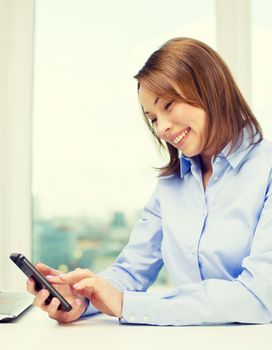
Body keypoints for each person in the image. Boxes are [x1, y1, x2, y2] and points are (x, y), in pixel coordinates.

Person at [27, 37, 272, 326]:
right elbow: (131, 272)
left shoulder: (265, 170)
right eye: (153, 118)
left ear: (210, 90)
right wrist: (82, 298)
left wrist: (128, 304)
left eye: (168, 105)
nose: (163, 128)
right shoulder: (171, 185)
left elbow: (258, 296)